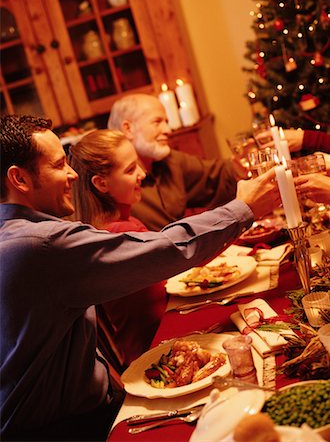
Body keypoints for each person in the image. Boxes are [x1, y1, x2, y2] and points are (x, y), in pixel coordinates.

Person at [0, 114, 280, 441]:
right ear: (19, 179)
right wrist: (243, 208)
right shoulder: (40, 246)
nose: (73, 174)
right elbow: (163, 251)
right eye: (60, 165)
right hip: (65, 427)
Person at [69, 129, 167, 371]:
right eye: (130, 169)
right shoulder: (117, 235)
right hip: (154, 358)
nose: (143, 174)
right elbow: (178, 258)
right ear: (101, 183)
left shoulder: (122, 224)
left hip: (160, 342)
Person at [107, 93, 246, 231]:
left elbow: (214, 174)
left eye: (166, 122)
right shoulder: (112, 183)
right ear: (128, 129)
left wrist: (244, 160)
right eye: (157, 122)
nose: (168, 130)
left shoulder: (169, 161)